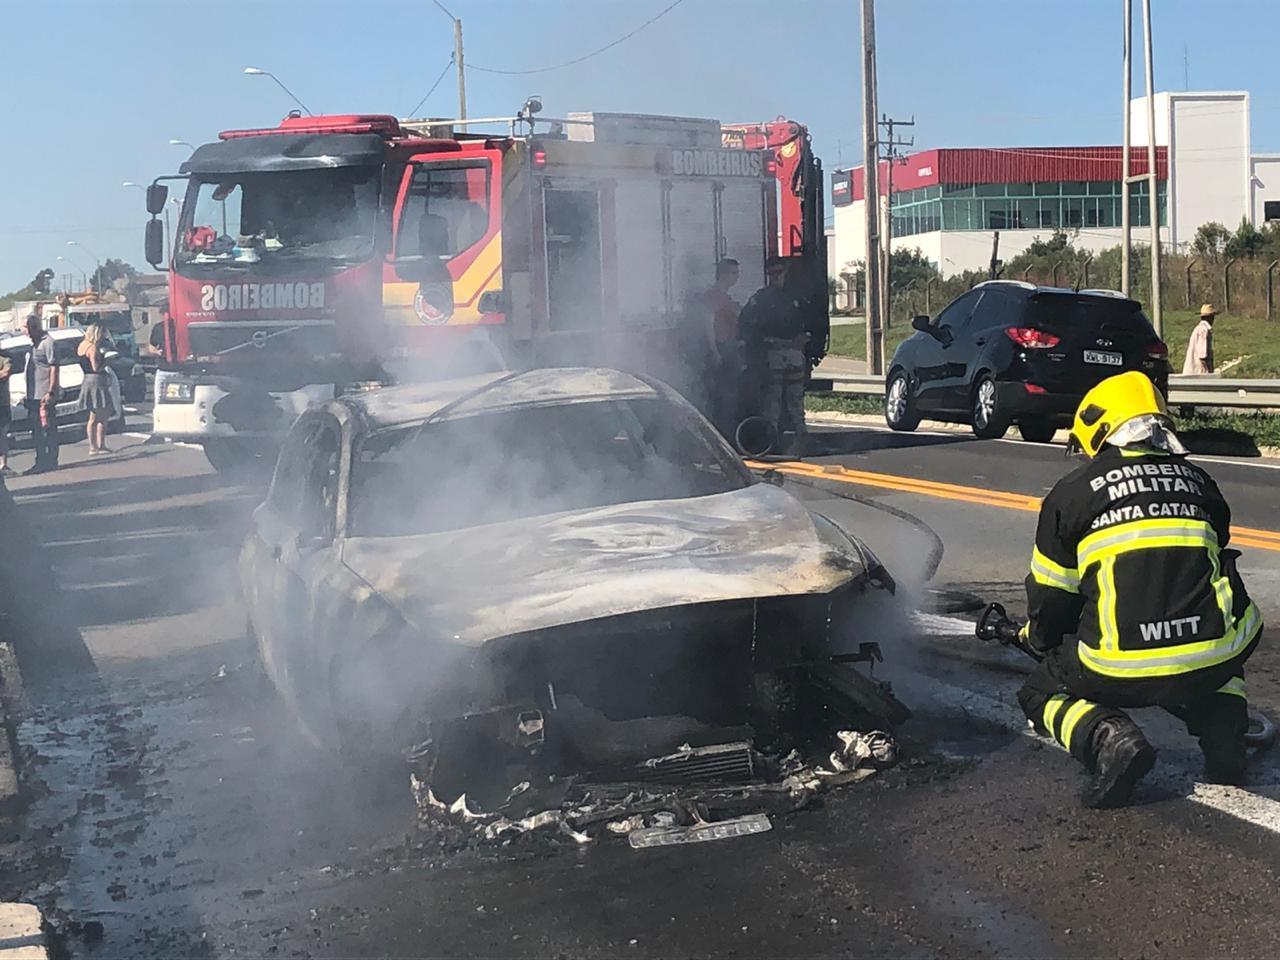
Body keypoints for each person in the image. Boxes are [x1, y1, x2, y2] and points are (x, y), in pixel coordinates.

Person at [1017, 371, 1262, 808]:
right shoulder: (1201, 482)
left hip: (1119, 668)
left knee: (1039, 691)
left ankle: (1109, 738)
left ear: (1099, 428)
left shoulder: (1071, 494)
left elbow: (1052, 598)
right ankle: (1226, 733)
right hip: (1212, 657)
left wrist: (1040, 643)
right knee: (1221, 638)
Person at [739, 257, 808, 455]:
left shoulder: (797, 296)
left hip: (794, 353)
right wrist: (759, 344)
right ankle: (772, 441)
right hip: (773, 353)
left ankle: (800, 438)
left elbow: (813, 321)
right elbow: (746, 324)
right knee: (773, 400)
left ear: (785, 272)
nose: (776, 277)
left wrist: (805, 338)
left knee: (795, 400)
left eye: (779, 272)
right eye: (772, 273)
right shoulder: (761, 298)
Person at [700, 258, 742, 433]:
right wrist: (714, 351)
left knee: (730, 394)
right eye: (733, 273)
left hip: (729, 349)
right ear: (723, 274)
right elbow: (708, 324)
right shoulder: (714, 296)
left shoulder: (726, 297)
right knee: (721, 395)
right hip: (721, 349)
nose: (736, 277)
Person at [23, 314, 59, 475]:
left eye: (27, 328)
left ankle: (50, 460)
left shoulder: (48, 343)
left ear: (34, 327)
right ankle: (40, 460)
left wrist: (51, 391)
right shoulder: (33, 345)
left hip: (44, 395)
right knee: (36, 430)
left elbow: (54, 367)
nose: (25, 332)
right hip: (33, 396)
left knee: (48, 429)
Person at [76, 324, 115, 455]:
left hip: (87, 379)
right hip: (96, 380)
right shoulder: (92, 348)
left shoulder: (82, 346)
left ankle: (99, 445)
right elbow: (95, 367)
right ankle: (94, 446)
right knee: (97, 415)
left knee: (100, 414)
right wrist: (107, 362)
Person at [1182, 303, 1216, 375]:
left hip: (1193, 371)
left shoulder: (1199, 329)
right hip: (1197, 373)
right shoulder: (1203, 330)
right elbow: (1202, 355)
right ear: (1210, 317)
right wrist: (1209, 372)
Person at [0, 351, 12, 478]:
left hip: (2, 403)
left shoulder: (5, 359)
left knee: (2, 434)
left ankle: (3, 463)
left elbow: (6, 373)